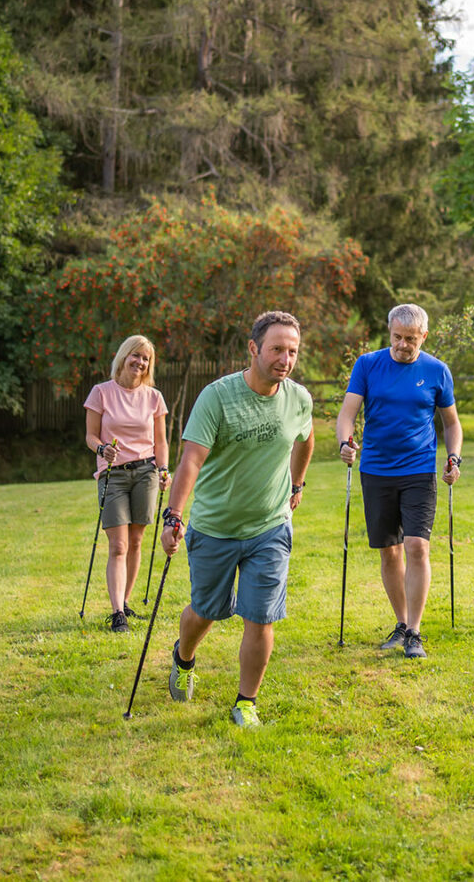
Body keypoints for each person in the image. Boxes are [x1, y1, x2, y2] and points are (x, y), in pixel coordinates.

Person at [160, 311, 315, 728]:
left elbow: (306, 437)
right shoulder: (217, 396)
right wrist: (173, 514)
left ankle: (246, 701)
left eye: (293, 351)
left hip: (270, 526)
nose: (285, 359)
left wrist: (296, 485)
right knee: (205, 611)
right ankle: (184, 656)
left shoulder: (298, 398)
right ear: (253, 349)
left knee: (260, 616)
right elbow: (191, 459)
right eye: (277, 349)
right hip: (215, 527)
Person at [335, 303, 463, 659]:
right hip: (376, 469)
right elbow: (348, 414)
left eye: (410, 339)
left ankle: (416, 632)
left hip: (419, 469)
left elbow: (451, 423)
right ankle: (401, 623)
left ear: (424, 336)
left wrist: (454, 456)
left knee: (417, 547)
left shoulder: (437, 371)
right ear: (388, 331)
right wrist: (345, 443)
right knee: (389, 552)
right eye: (397, 337)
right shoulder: (367, 364)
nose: (402, 345)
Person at [83, 335, 171, 631]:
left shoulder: (154, 397)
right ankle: (117, 612)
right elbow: (90, 436)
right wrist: (101, 449)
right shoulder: (101, 392)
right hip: (113, 474)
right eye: (136, 355)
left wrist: (163, 469)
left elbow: (161, 441)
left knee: (135, 541)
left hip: (145, 472)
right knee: (118, 545)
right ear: (123, 357)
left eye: (146, 358)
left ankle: (126, 601)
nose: (140, 362)